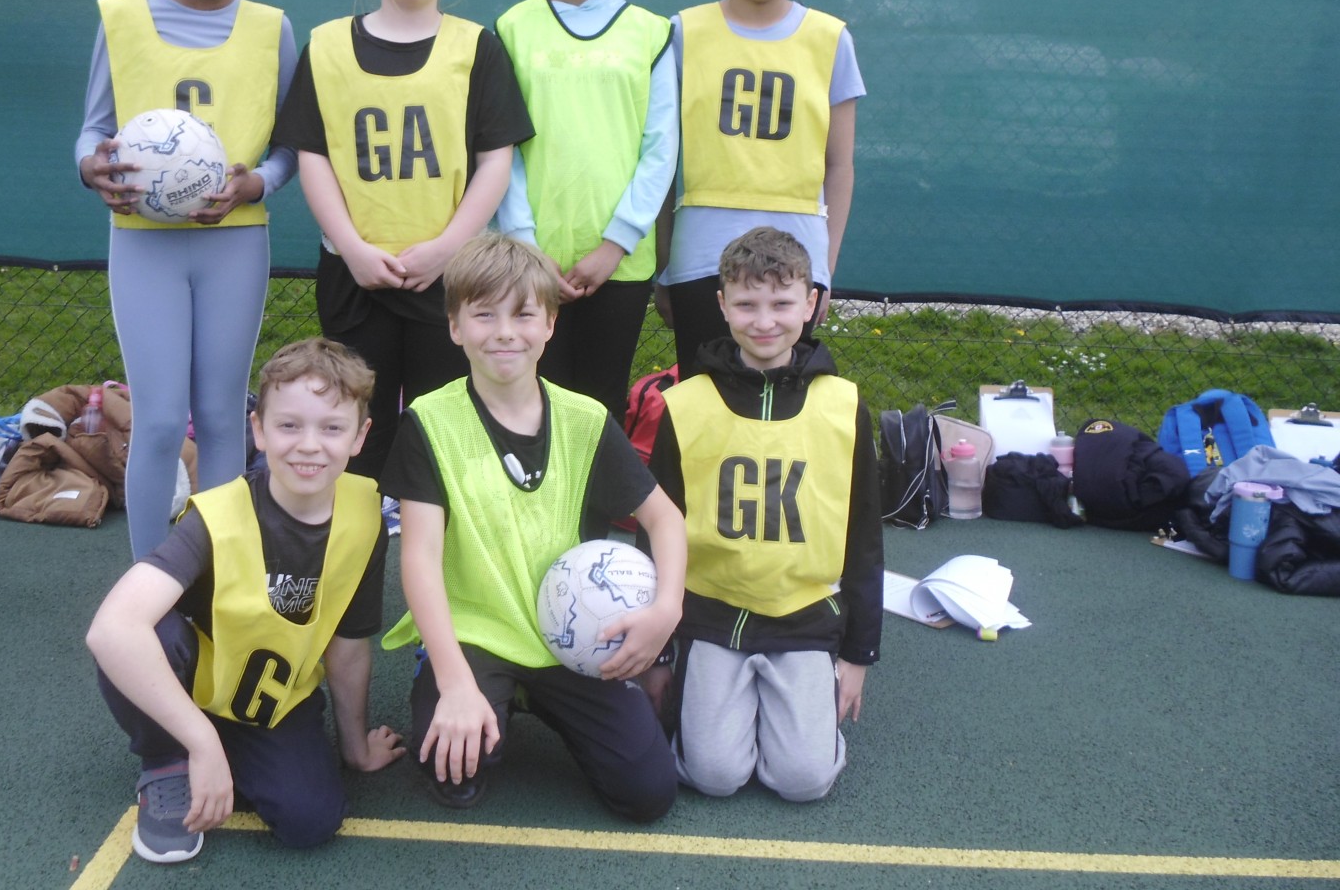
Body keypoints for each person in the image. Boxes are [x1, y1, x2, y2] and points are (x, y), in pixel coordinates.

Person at [378, 233, 686, 820]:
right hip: (478, 630)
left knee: (648, 794)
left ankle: (535, 694)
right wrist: (455, 681)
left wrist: (665, 611)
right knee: (454, 771)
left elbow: (665, 519)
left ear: (549, 323)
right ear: (455, 327)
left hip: (571, 633)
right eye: (484, 314)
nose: (504, 332)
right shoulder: (428, 420)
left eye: (523, 314)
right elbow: (417, 560)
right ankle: (476, 685)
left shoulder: (585, 419)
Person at [86, 338, 404, 864]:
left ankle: (228, 752)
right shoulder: (218, 516)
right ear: (258, 429)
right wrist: (199, 743)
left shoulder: (366, 514)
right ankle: (167, 761)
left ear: (359, 437)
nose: (309, 444)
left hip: (270, 700)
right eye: (288, 425)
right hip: (191, 687)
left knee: (311, 822)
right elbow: (111, 630)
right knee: (151, 629)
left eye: (331, 428)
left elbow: (349, 645)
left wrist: (355, 747)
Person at [77, 0, 299, 559]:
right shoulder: (124, 20)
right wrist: (89, 167)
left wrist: (254, 183)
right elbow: (93, 129)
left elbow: (292, 147)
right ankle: (151, 584)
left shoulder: (271, 29)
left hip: (232, 243)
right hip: (145, 243)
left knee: (223, 417)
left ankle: (220, 576)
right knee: (163, 419)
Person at [273, 0, 532, 480]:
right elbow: (313, 157)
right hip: (356, 273)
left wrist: (447, 249)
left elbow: (496, 162)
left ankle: (438, 571)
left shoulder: (476, 48)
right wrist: (355, 248)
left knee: (443, 439)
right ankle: (353, 570)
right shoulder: (329, 45)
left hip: (450, 277)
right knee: (355, 440)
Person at [646, 227, 881, 801]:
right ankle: (724, 706)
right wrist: (657, 649)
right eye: (747, 304)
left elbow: (864, 537)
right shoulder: (685, 406)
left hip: (804, 618)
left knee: (805, 781)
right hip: (712, 616)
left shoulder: (844, 406)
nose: (765, 320)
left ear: (810, 303)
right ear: (721, 305)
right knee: (713, 777)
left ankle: (800, 711)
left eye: (781, 303)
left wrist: (858, 654)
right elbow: (656, 529)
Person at [656, 0, 865, 379]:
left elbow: (840, 165)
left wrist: (824, 268)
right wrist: (663, 262)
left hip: (797, 256)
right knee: (705, 400)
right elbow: (661, 159)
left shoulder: (830, 38)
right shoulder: (685, 32)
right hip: (700, 254)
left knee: (780, 404)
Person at [494, 0, 677, 421]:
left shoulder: (651, 33)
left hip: (616, 267)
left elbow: (661, 148)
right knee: (525, 407)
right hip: (529, 262)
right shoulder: (512, 28)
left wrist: (614, 245)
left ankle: (593, 512)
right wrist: (526, 246)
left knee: (597, 410)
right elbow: (499, 147)